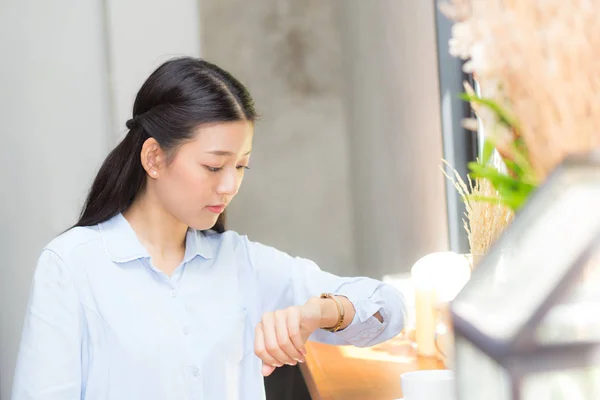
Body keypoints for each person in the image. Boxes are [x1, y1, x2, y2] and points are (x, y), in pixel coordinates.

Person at [12, 57, 406, 400]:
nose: (230, 185)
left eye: (240, 166)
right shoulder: (72, 265)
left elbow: (389, 309)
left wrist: (321, 311)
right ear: (153, 157)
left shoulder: (240, 262)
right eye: (214, 166)